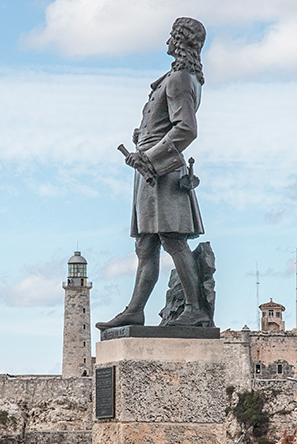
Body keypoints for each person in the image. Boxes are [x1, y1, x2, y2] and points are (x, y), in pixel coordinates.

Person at [96, 17, 211, 331]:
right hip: (148, 170)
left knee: (173, 240)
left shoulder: (181, 79)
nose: (166, 43)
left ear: (180, 41)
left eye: (171, 37)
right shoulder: (175, 78)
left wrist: (148, 154)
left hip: (162, 171)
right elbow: (166, 126)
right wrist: (143, 136)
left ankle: (193, 309)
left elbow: (186, 129)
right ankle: (135, 310)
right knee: (146, 245)